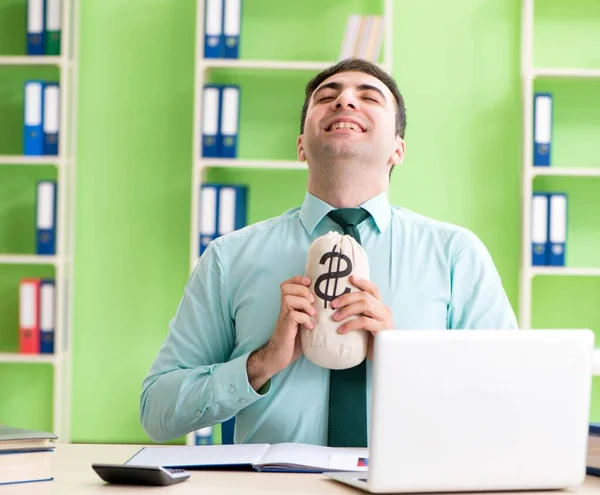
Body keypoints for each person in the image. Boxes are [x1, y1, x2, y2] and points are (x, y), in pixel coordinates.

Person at [139, 58, 518, 446]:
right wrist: (260, 364)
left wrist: (403, 361)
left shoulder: (456, 255)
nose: (345, 102)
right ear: (301, 146)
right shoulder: (228, 258)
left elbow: (510, 400)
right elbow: (156, 411)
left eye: (368, 96)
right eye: (327, 97)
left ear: (398, 150)